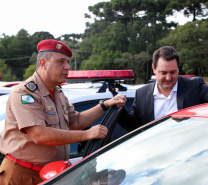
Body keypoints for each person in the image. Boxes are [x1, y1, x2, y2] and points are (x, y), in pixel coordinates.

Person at [0, 39, 126, 185]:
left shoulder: (57, 92)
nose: (67, 67)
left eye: (67, 62)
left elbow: (76, 121)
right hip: (22, 175)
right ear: (43, 64)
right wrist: (87, 134)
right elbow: (39, 135)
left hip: (50, 175)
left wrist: (104, 105)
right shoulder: (25, 94)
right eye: (61, 62)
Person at [118, 46, 208, 132]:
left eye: (173, 72)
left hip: (190, 155)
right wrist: (118, 109)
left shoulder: (195, 87)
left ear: (178, 68)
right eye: (163, 73)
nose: (168, 78)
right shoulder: (141, 94)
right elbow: (134, 127)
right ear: (154, 69)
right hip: (155, 155)